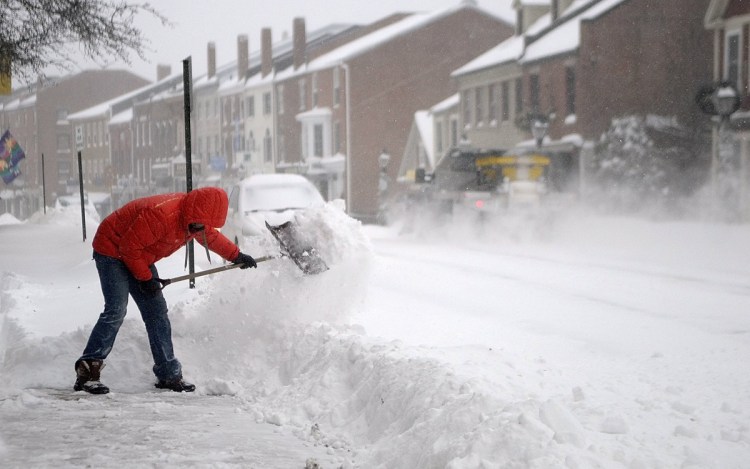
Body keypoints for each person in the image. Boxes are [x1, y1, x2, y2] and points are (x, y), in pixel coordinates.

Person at [73, 187, 257, 394]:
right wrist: (145, 278)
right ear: (192, 212)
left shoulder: (194, 220)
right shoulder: (162, 215)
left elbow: (210, 237)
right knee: (116, 308)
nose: (199, 230)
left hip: (138, 254)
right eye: (198, 225)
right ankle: (87, 371)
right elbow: (129, 248)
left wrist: (236, 256)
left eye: (202, 226)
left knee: (156, 311)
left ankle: (168, 374)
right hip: (112, 249)